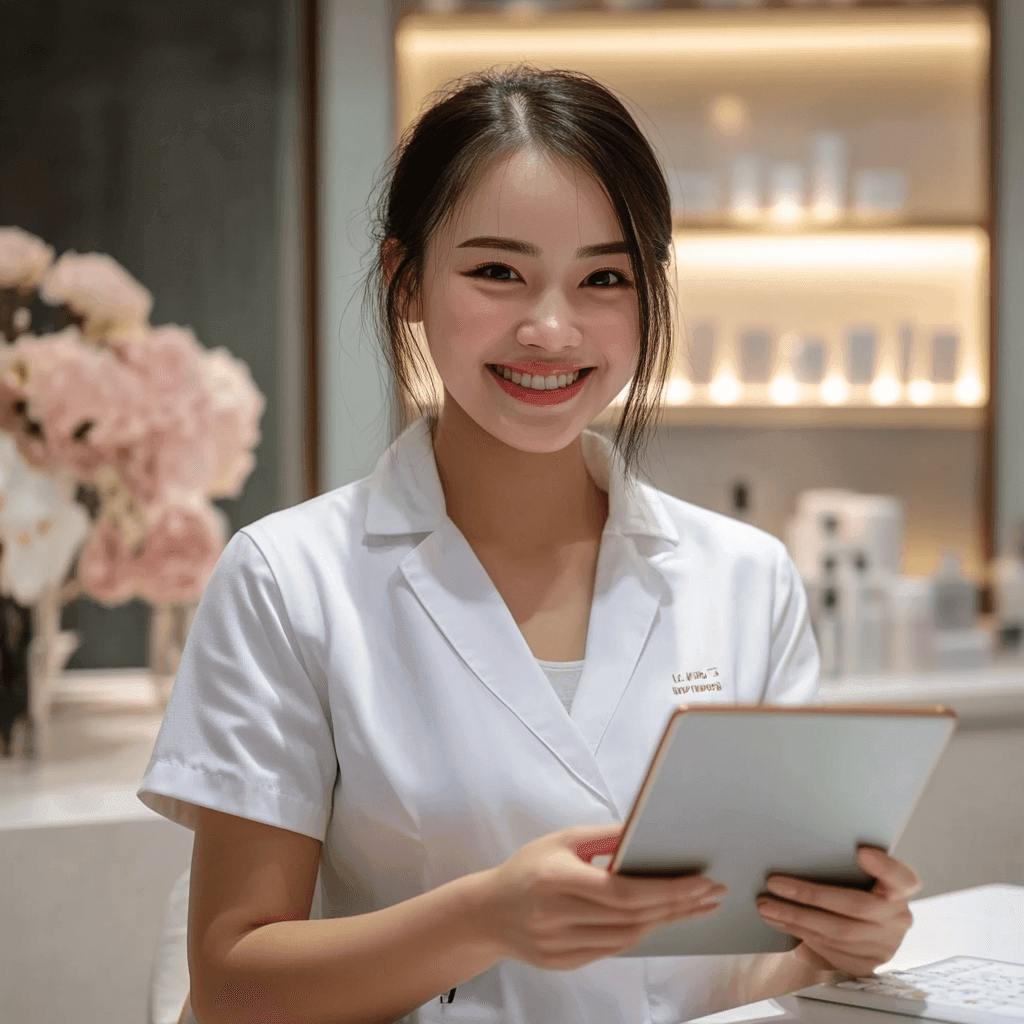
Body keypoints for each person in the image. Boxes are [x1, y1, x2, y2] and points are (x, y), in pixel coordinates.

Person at [137, 65, 922, 1024]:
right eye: (497, 271)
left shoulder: (745, 579)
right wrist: (487, 917)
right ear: (406, 280)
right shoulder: (288, 580)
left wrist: (840, 944)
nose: (551, 329)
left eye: (604, 278)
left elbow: (734, 972)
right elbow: (232, 987)